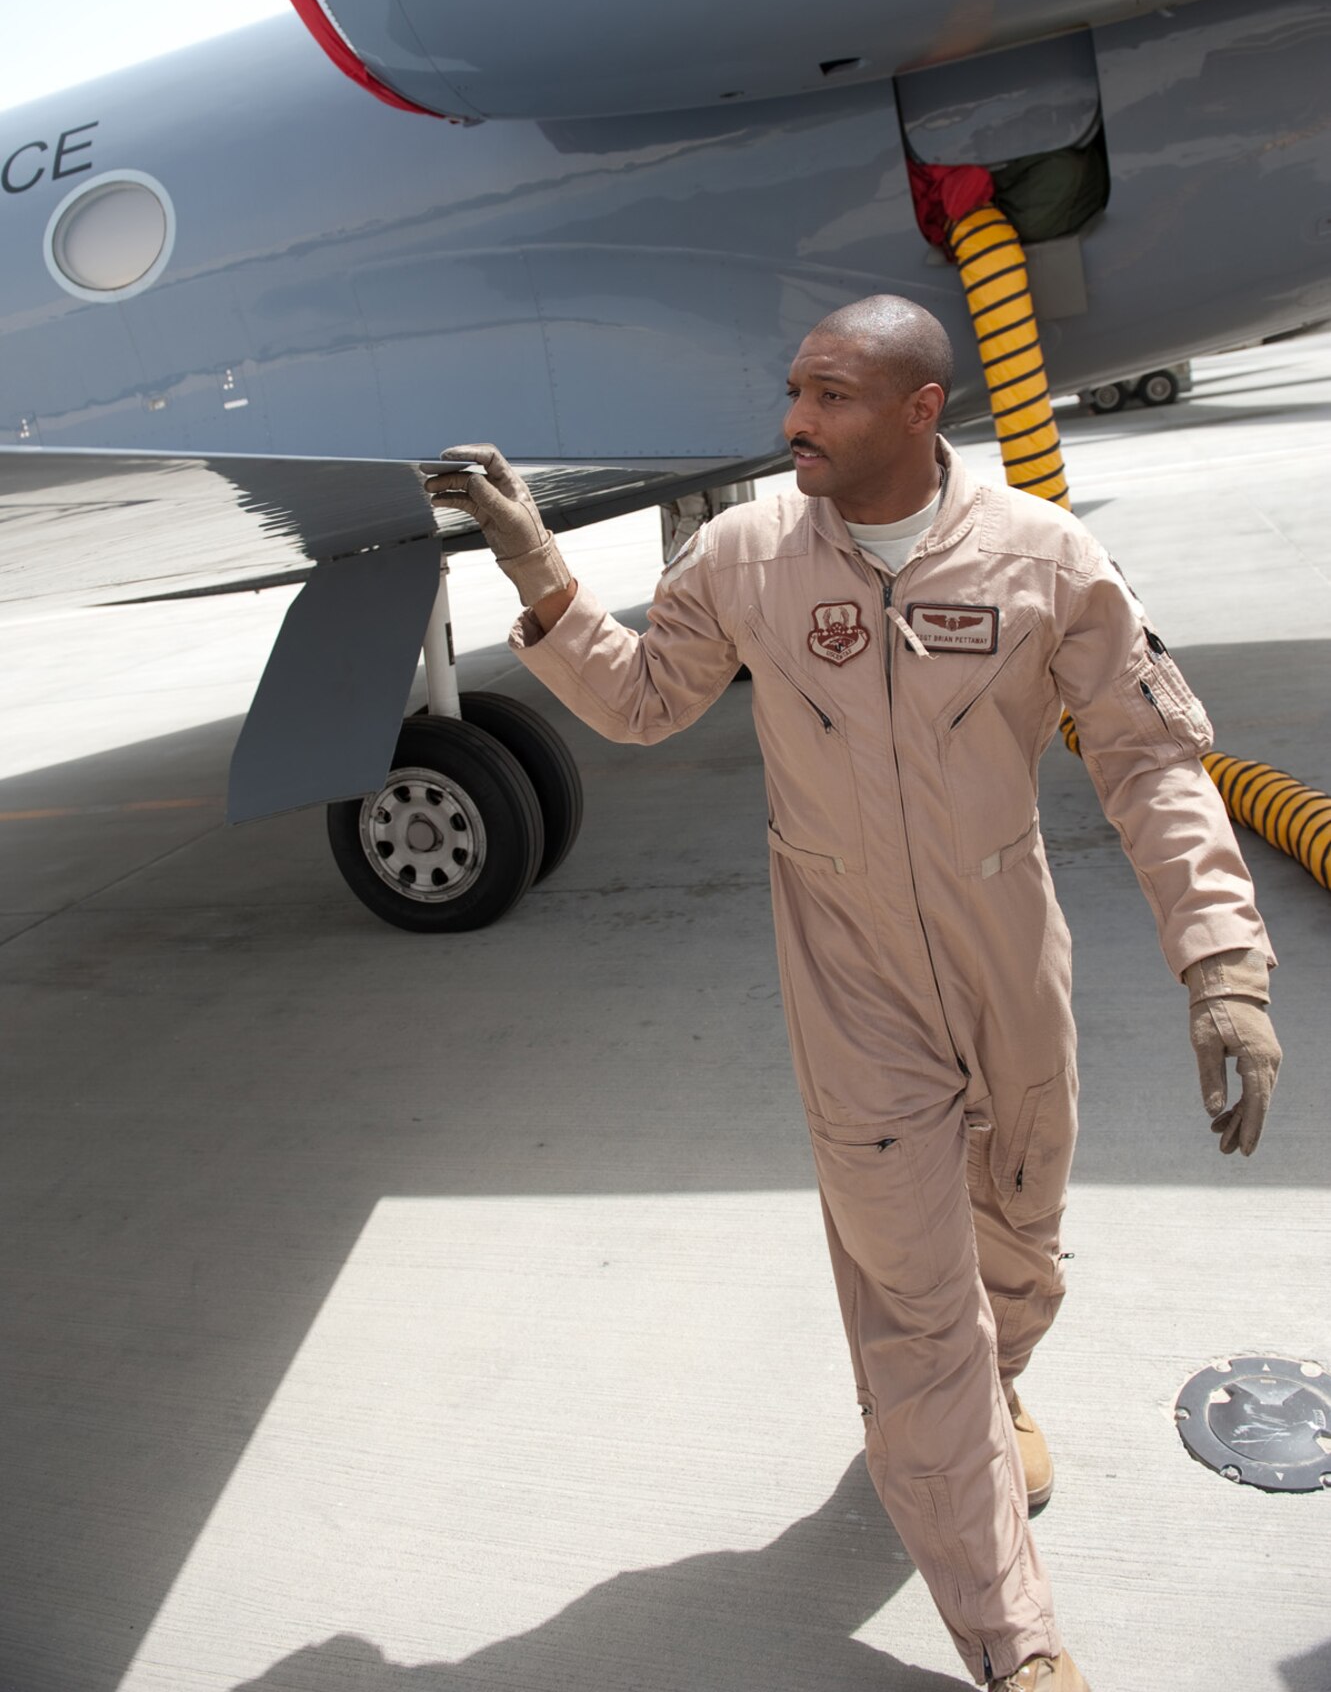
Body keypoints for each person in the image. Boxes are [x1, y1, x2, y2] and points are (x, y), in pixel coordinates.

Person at [426, 295, 1281, 1692]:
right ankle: (1015, 1640)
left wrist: (1223, 967)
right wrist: (539, 567)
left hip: (1011, 946)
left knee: (1022, 1230)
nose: (793, 422)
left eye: (829, 396)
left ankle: (998, 1388)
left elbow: (1149, 757)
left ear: (920, 408)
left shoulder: (1043, 558)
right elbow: (644, 700)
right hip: (847, 971)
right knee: (914, 1306)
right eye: (794, 391)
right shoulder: (751, 555)